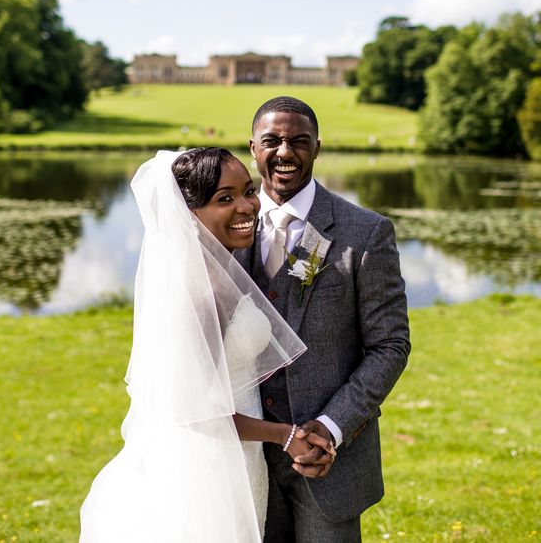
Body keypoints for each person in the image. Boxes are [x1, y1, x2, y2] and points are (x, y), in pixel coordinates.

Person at [79, 148, 333, 542]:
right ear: (188, 212)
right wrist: (283, 434)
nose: (247, 206)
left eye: (248, 191)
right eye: (224, 198)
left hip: (236, 456)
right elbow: (194, 414)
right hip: (209, 466)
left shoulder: (220, 270)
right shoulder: (200, 293)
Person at [234, 97, 411, 542]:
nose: (284, 152)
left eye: (299, 141)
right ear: (252, 147)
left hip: (328, 461)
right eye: (271, 141)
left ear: (317, 148)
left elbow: (389, 346)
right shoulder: (226, 227)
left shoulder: (365, 232)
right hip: (245, 457)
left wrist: (331, 428)